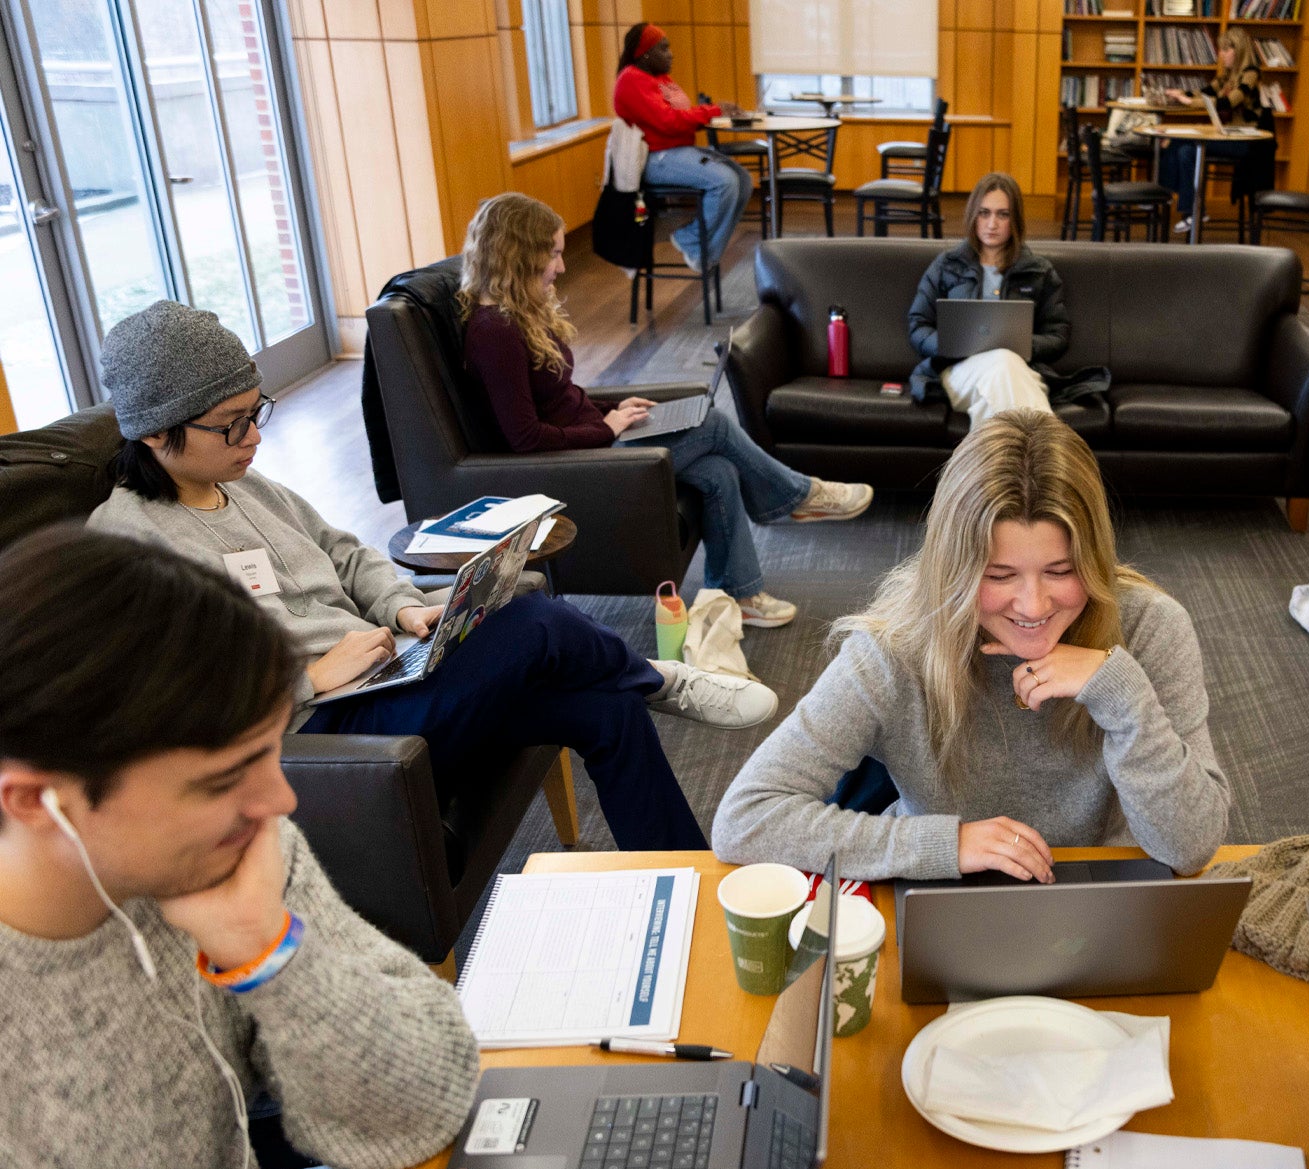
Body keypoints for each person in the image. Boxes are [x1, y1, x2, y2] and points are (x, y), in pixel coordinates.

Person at [86, 300, 773, 853]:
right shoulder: (126, 544)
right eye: (231, 425)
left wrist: (400, 606)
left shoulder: (245, 484)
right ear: (154, 431)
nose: (254, 438)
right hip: (322, 729)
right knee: (531, 621)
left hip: (384, 674)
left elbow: (344, 552)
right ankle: (659, 678)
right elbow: (166, 703)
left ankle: (683, 879)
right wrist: (310, 678)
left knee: (605, 711)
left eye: (256, 413)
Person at [0, 523, 502, 1169]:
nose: (281, 800)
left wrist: (267, 951)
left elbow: (431, 1103)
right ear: (36, 801)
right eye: (218, 781)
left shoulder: (229, 851)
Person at [711, 409, 1230, 882]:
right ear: (954, 569)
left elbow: (1191, 847)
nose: (1032, 606)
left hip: (1105, 892)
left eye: (1061, 570)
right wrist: (943, 843)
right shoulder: (895, 649)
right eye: (999, 574)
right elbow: (746, 817)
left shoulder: (1151, 628)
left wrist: (1124, 700)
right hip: (945, 889)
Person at [457, 192, 873, 629]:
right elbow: (526, 439)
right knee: (711, 424)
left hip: (593, 438)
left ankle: (742, 591)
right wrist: (605, 428)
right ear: (519, 254)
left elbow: (559, 397)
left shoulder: (515, 315)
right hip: (575, 464)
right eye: (554, 254)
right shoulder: (494, 332)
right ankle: (798, 495)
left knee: (716, 470)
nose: (561, 267)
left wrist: (613, 408)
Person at [906, 173, 1108, 425]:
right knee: (1003, 365)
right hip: (958, 372)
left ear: (1015, 220)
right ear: (973, 216)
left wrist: (1021, 345)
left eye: (1003, 214)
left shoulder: (1038, 271)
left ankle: (999, 464)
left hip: (1021, 372)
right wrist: (948, 344)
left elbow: (1058, 335)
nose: (992, 223)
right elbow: (918, 324)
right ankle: (1046, 453)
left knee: (1002, 371)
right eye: (984, 213)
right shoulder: (947, 265)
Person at [612, 23, 749, 275]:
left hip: (676, 152)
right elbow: (669, 120)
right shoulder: (631, 79)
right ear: (645, 54)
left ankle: (705, 253)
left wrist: (710, 111)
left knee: (744, 179)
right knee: (726, 183)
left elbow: (683, 112)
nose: (670, 54)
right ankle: (689, 238)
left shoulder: (661, 79)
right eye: (663, 49)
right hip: (655, 159)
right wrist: (714, 110)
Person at [1157, 27, 1271, 233]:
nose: (1221, 54)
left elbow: (1228, 102)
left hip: (1244, 141)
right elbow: (1204, 92)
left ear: (1239, 51)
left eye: (1226, 50)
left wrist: (1190, 102)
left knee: (1184, 146)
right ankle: (1185, 208)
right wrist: (1181, 93)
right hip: (1227, 135)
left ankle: (1177, 204)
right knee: (1179, 146)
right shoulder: (1226, 76)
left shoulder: (1251, 74)